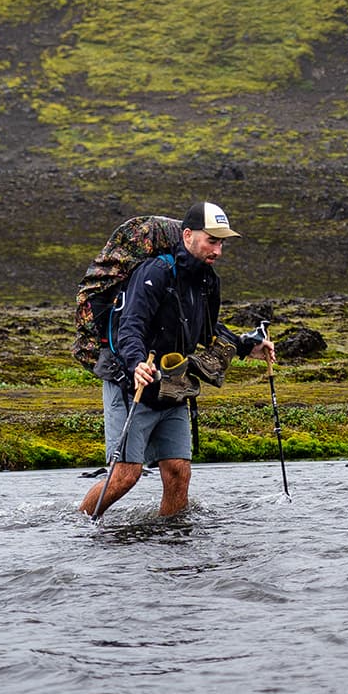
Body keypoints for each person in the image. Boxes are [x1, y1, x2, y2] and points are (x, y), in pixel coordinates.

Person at [80, 202, 275, 518]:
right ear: (187, 235)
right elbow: (131, 325)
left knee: (178, 472)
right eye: (211, 240)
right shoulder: (154, 272)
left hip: (172, 387)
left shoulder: (208, 281)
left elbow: (208, 331)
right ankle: (79, 527)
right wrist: (136, 365)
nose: (218, 250)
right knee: (125, 476)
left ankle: (172, 542)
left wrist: (246, 346)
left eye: (221, 241)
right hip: (132, 385)